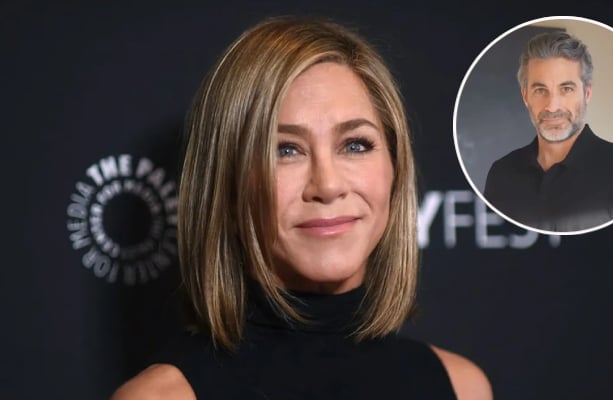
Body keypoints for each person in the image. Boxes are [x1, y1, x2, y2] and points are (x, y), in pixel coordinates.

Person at [111, 16, 492, 400]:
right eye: (285, 150)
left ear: (395, 167)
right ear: (228, 186)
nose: (327, 185)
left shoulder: (461, 387)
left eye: (355, 145)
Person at [483, 31, 613, 233]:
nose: (552, 106)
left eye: (566, 89)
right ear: (525, 96)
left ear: (587, 93)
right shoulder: (501, 174)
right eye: (540, 90)